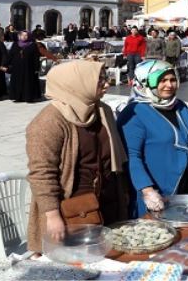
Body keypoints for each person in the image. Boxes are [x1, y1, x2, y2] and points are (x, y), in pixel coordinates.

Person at [26, 61, 129, 252]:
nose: (107, 84)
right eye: (99, 80)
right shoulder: (48, 122)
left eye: (105, 79)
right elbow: (41, 174)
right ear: (77, 83)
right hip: (71, 210)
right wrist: (53, 215)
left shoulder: (101, 110)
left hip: (106, 201)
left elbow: (115, 157)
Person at [117, 60, 188, 217]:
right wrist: (147, 190)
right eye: (162, 81)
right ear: (145, 82)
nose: (169, 85)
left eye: (172, 79)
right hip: (155, 192)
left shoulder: (180, 106)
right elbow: (131, 157)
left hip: (186, 185)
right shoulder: (134, 112)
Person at [7, 31, 42, 102]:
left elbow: (36, 57)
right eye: (22, 35)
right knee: (17, 82)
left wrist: (36, 68)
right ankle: (18, 97)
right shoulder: (16, 44)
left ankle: (29, 97)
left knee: (28, 82)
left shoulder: (33, 45)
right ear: (19, 36)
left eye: (26, 35)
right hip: (17, 67)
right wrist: (6, 64)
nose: (24, 37)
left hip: (29, 67)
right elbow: (10, 55)